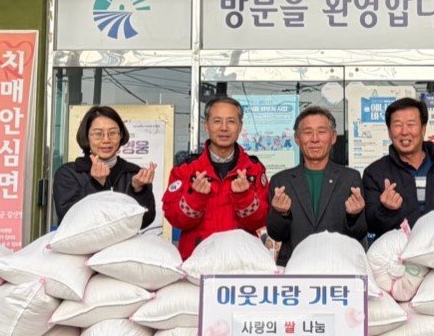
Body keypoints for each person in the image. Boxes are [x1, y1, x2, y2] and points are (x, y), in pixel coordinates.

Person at [162, 96, 270, 259]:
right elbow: (175, 220)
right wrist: (196, 198)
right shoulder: (186, 169)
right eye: (217, 121)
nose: (224, 128)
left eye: (231, 121)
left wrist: (244, 197)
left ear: (240, 126)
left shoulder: (254, 169)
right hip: (198, 260)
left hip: (242, 260)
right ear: (206, 125)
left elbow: (261, 221)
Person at [266, 106, 367, 266]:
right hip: (295, 268)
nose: (315, 139)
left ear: (333, 137)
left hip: (338, 267)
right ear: (297, 139)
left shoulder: (350, 178)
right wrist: (281, 213)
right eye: (307, 132)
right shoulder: (281, 181)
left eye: (321, 132)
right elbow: (276, 234)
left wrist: (354, 216)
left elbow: (359, 233)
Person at [362, 97, 434, 235]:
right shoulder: (374, 173)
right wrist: (385, 210)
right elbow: (368, 224)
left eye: (411, 124)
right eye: (398, 125)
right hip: (397, 248)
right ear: (389, 132)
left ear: (423, 129)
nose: (404, 131)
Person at [53, 105, 156, 227]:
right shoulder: (69, 173)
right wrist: (95, 184)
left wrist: (139, 191)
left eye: (112, 133)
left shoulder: (134, 173)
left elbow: (145, 221)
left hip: (125, 240)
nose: (106, 140)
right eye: (98, 134)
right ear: (86, 136)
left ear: (121, 135)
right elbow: (67, 217)